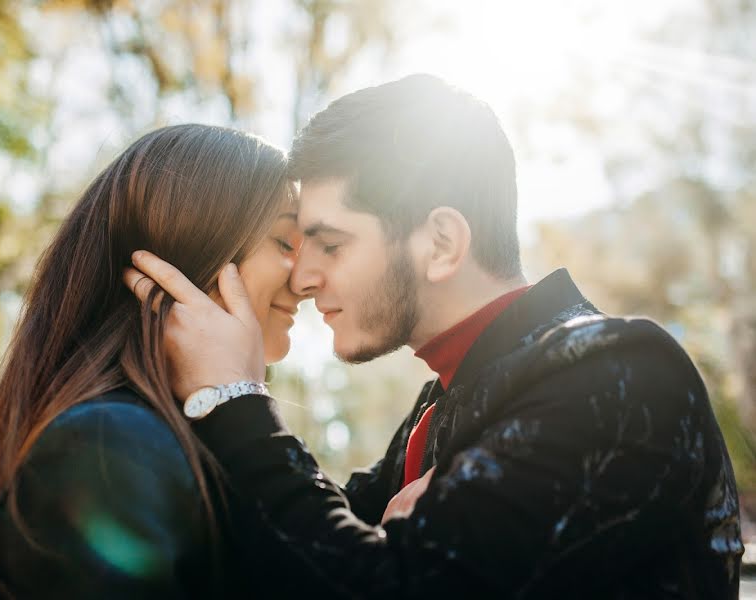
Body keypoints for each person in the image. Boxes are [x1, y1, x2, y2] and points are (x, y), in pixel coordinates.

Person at [124, 75, 744, 598]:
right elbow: (303, 546)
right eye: (296, 244)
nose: (304, 276)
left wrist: (233, 399)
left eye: (331, 244)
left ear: (442, 243)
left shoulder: (619, 373)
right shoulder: (447, 398)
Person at [0, 124, 305, 598]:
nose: (308, 278)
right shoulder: (112, 446)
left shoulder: (160, 437)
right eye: (285, 243)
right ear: (195, 252)